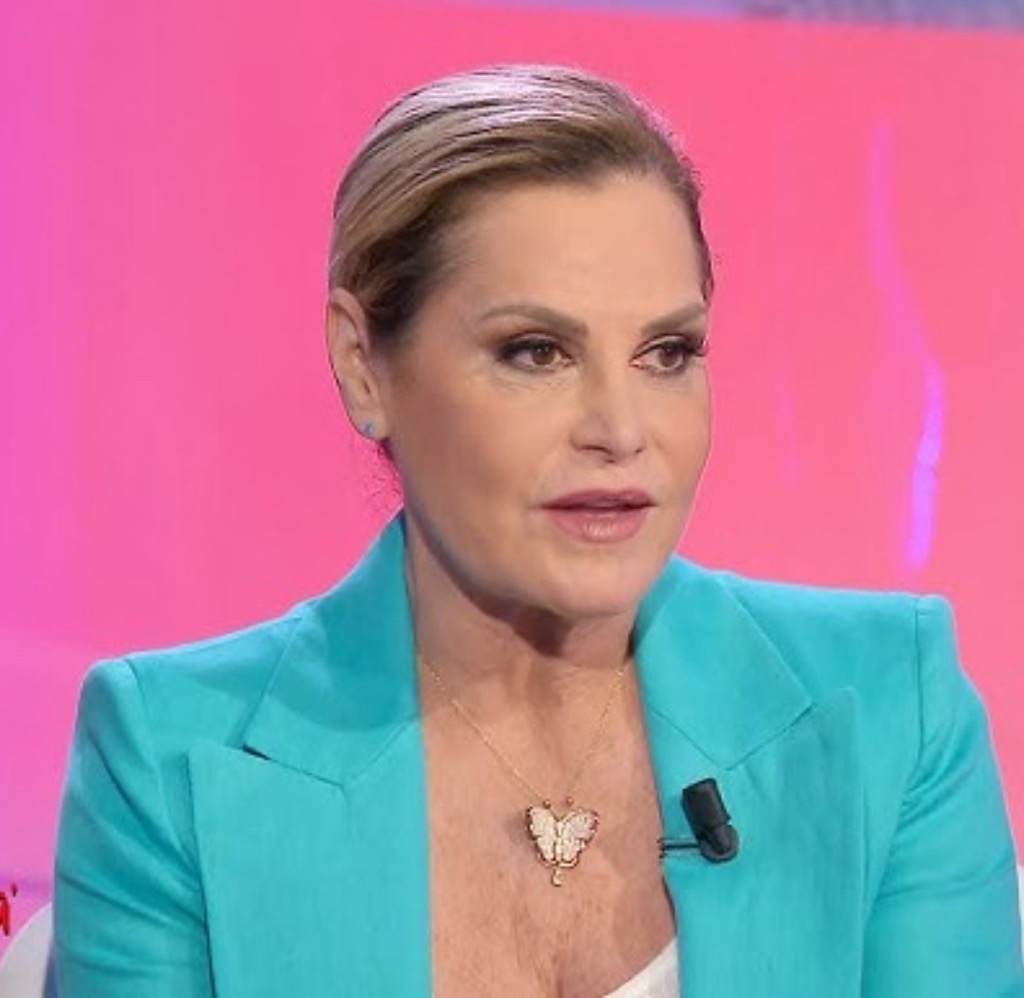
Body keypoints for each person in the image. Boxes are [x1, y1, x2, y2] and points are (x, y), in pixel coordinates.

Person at [54, 64, 1023, 997]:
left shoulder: (888, 708)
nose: (621, 429)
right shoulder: (170, 759)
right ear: (363, 366)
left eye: (666, 352)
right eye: (536, 351)